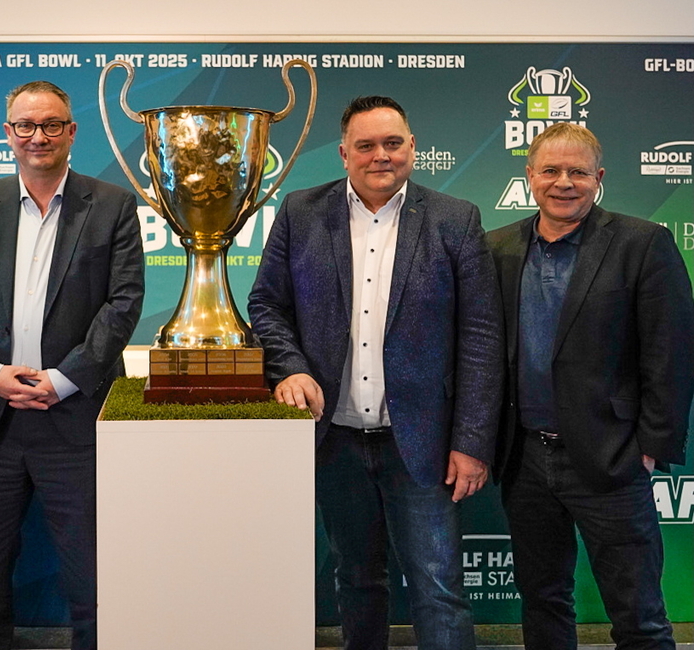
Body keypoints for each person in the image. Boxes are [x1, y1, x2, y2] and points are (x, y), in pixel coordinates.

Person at [247, 95, 504, 650]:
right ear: (344, 153)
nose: (380, 155)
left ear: (413, 147)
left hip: (424, 445)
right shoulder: (300, 212)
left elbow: (482, 337)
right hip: (333, 439)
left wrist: (472, 442)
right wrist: (288, 369)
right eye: (366, 145)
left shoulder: (455, 219)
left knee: (438, 588)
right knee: (356, 582)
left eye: (393, 143)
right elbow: (266, 305)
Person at [0, 80, 144, 650]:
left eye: (51, 124)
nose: (38, 136)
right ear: (8, 134)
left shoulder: (114, 205)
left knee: (90, 573)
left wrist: (64, 379)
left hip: (74, 420)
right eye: (25, 125)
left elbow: (123, 304)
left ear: (72, 131)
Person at [487, 122, 693, 649]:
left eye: (577, 171)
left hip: (612, 459)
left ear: (598, 177)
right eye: (550, 170)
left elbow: (671, 353)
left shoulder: (643, 243)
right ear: (529, 176)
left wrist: (649, 449)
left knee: (639, 618)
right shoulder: (498, 248)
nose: (564, 182)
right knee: (544, 603)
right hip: (525, 459)